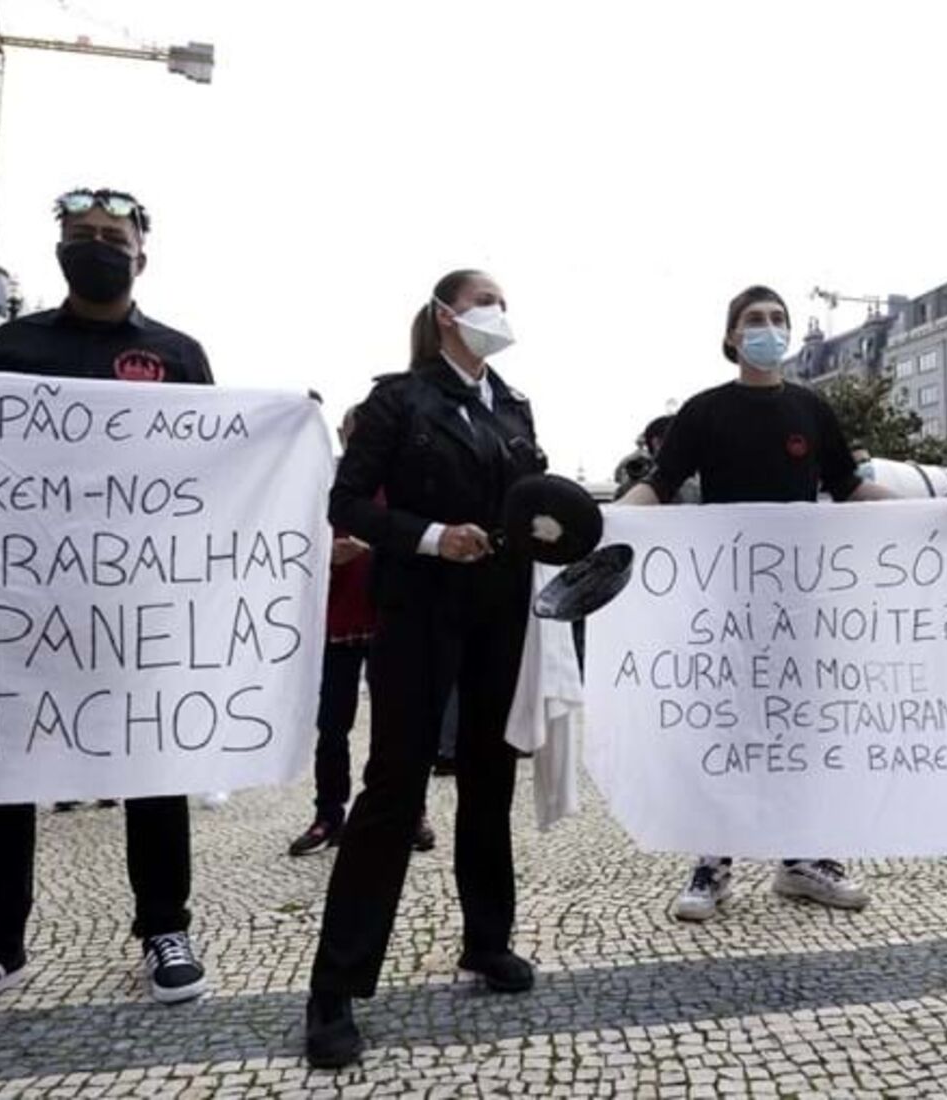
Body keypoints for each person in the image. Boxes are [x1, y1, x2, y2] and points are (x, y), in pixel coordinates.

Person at [0, 187, 211, 1029]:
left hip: (132, 603)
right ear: (58, 250)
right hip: (19, 599)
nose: (95, 246)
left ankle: (165, 929)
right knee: (3, 769)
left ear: (140, 255)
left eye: (110, 237)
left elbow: (214, 475)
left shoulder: (178, 353)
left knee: (153, 769)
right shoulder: (14, 343)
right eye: (80, 235)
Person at [304, 269, 545, 1068]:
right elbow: (346, 505)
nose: (497, 313)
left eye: (500, 302)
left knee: (490, 779)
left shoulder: (513, 405)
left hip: (499, 615)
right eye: (484, 301)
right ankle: (335, 988)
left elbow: (533, 503)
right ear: (446, 316)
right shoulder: (397, 401)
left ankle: (487, 940)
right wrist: (435, 536)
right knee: (393, 790)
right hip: (417, 615)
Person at [621, 285, 895, 923]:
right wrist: (605, 524)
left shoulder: (812, 408)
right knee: (728, 729)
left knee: (801, 730)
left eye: (777, 319)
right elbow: (659, 486)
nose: (767, 329)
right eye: (753, 320)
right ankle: (712, 865)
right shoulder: (703, 411)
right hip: (728, 601)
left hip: (801, 600)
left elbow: (849, 486)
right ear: (731, 337)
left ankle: (802, 859)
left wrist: (931, 513)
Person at [288, 407, 436, 857]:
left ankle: (409, 811)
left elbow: (419, 544)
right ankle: (329, 813)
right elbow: (293, 546)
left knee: (397, 724)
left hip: (390, 618)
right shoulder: (321, 488)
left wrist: (370, 550)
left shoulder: (402, 485)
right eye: (355, 434)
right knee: (332, 725)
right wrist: (323, 557)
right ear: (342, 435)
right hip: (335, 623)